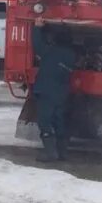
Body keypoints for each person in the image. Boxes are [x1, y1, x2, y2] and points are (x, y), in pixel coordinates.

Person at [31, 19, 76, 162]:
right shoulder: (72, 55)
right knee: (59, 121)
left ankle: (50, 153)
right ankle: (63, 153)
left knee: (45, 122)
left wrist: (37, 28)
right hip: (62, 93)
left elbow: (37, 45)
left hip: (46, 91)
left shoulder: (50, 51)